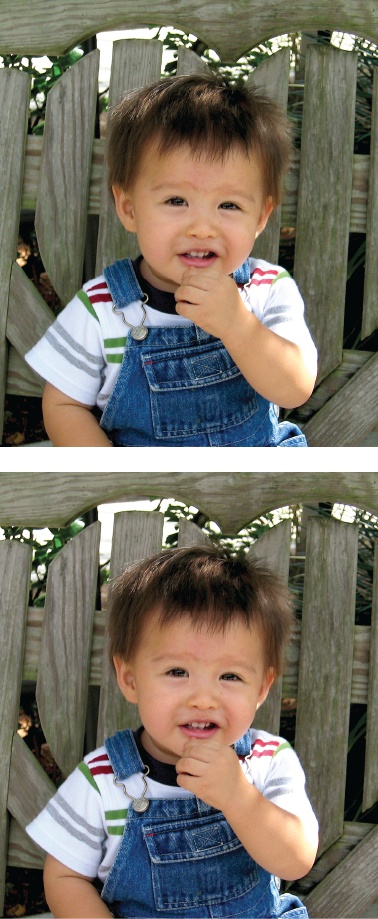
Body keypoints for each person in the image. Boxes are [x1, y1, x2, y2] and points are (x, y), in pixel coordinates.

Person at [25, 73, 317, 447]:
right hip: (146, 492)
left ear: (260, 217)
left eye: (229, 205)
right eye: (177, 201)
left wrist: (238, 326)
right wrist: (116, 483)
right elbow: (63, 404)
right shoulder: (103, 308)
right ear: (128, 208)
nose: (202, 227)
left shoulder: (265, 290)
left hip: (253, 488)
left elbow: (294, 389)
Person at [26, 545, 318, 918]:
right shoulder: (104, 780)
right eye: (178, 672)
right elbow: (64, 877)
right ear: (130, 679)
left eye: (230, 676)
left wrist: (239, 798)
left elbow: (295, 861)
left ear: (261, 688)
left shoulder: (266, 761)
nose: (203, 698)